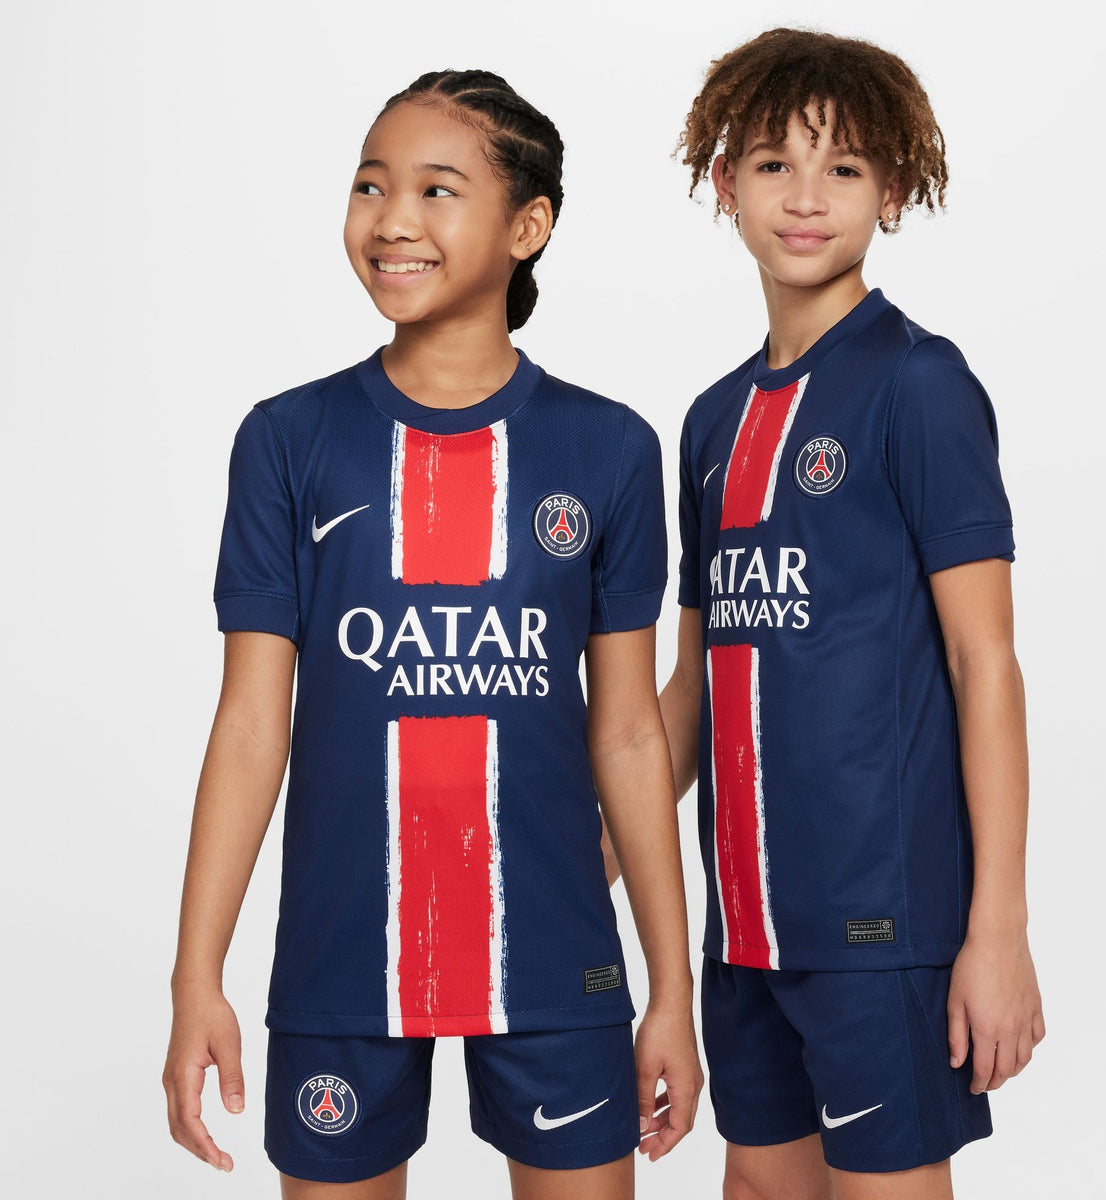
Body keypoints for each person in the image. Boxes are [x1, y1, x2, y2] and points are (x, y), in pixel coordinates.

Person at [163, 68, 702, 1200]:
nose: (392, 219)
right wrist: (194, 976)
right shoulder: (288, 440)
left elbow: (628, 736)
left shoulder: (608, 449)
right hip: (343, 955)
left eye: (436, 190)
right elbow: (252, 726)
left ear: (528, 227)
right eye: (371, 185)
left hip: (555, 953)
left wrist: (670, 989)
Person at [646, 28, 1044, 1200]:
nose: (807, 197)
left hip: (883, 930)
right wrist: (584, 855)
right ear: (724, 182)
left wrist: (998, 928)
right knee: (759, 1187)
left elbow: (984, 664)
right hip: (744, 931)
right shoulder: (712, 423)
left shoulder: (920, 384)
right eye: (774, 164)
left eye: (845, 168)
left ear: (894, 190)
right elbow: (693, 686)